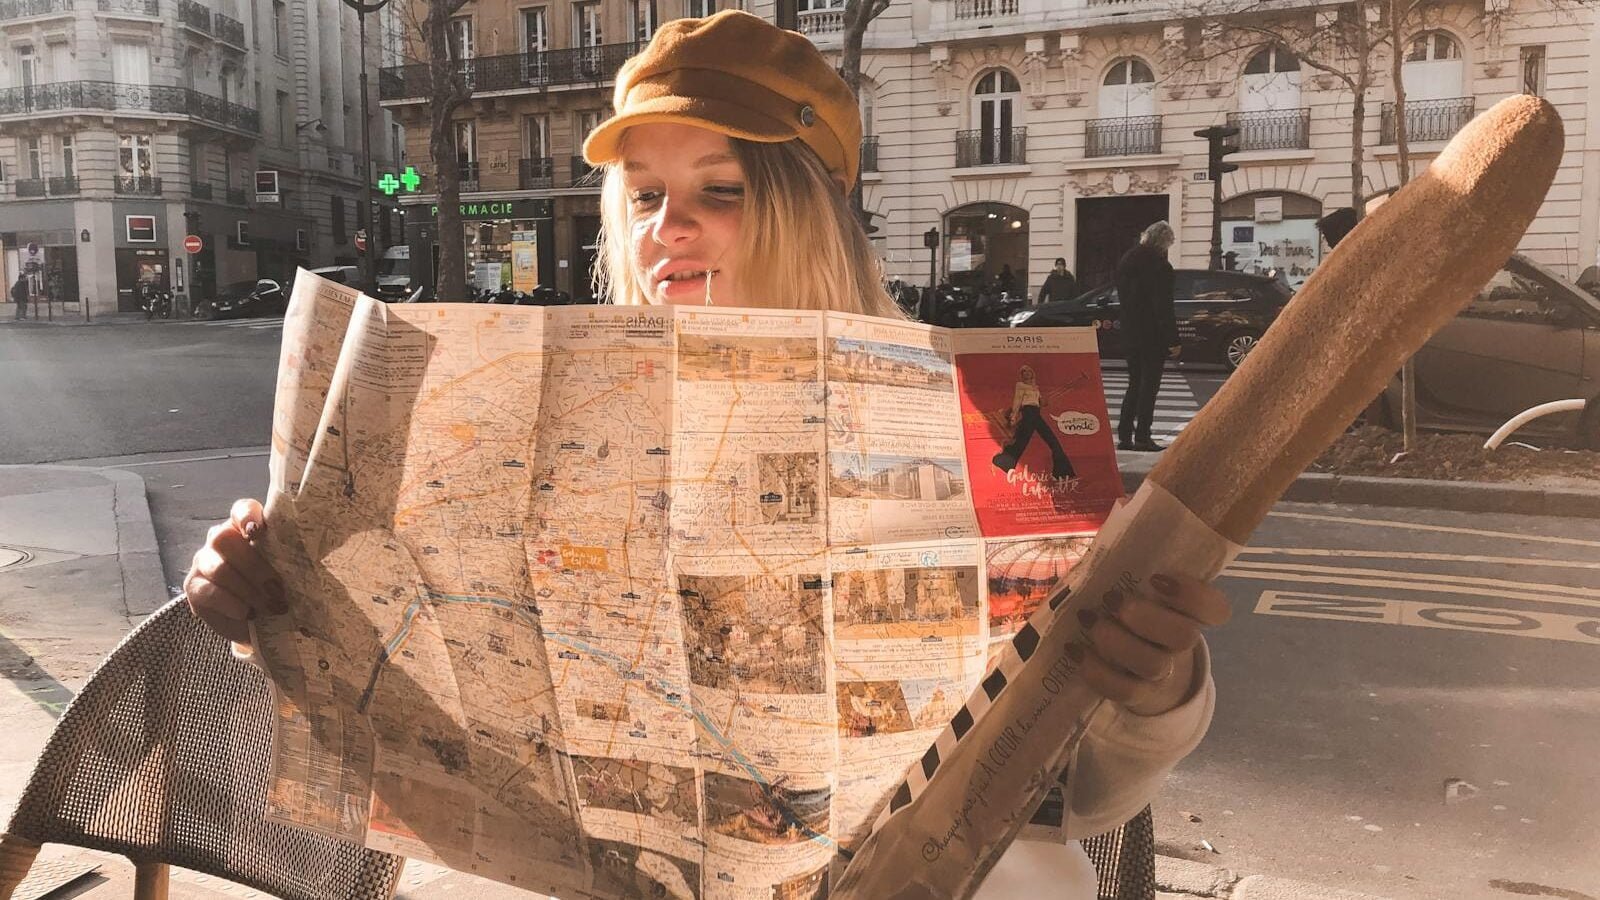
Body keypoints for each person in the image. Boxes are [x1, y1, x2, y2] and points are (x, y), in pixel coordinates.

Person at [180, 11, 1230, 898]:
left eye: (718, 190)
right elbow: (444, 694)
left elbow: (1084, 792)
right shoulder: (546, 428)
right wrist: (276, 602)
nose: (663, 230)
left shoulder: (990, 419)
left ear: (811, 209)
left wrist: (1155, 682)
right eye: (643, 196)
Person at [1114, 221, 1180, 452]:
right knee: (1149, 386)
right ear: (1163, 242)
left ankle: (1124, 435)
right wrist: (1173, 339)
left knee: (1134, 383)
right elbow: (1163, 307)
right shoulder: (1160, 266)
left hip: (1131, 331)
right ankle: (1143, 435)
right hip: (1152, 334)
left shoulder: (1127, 260)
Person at [993, 364, 1074, 479]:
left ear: (1032, 373)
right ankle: (1004, 462)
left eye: (1028, 371)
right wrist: (1013, 416)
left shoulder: (1035, 387)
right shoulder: (1020, 385)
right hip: (1028, 413)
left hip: (1036, 413)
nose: (1026, 373)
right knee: (1028, 440)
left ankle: (1062, 471)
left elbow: (1040, 403)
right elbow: (1017, 400)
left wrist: (1044, 401)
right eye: (1024, 372)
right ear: (1022, 375)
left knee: (1031, 440)